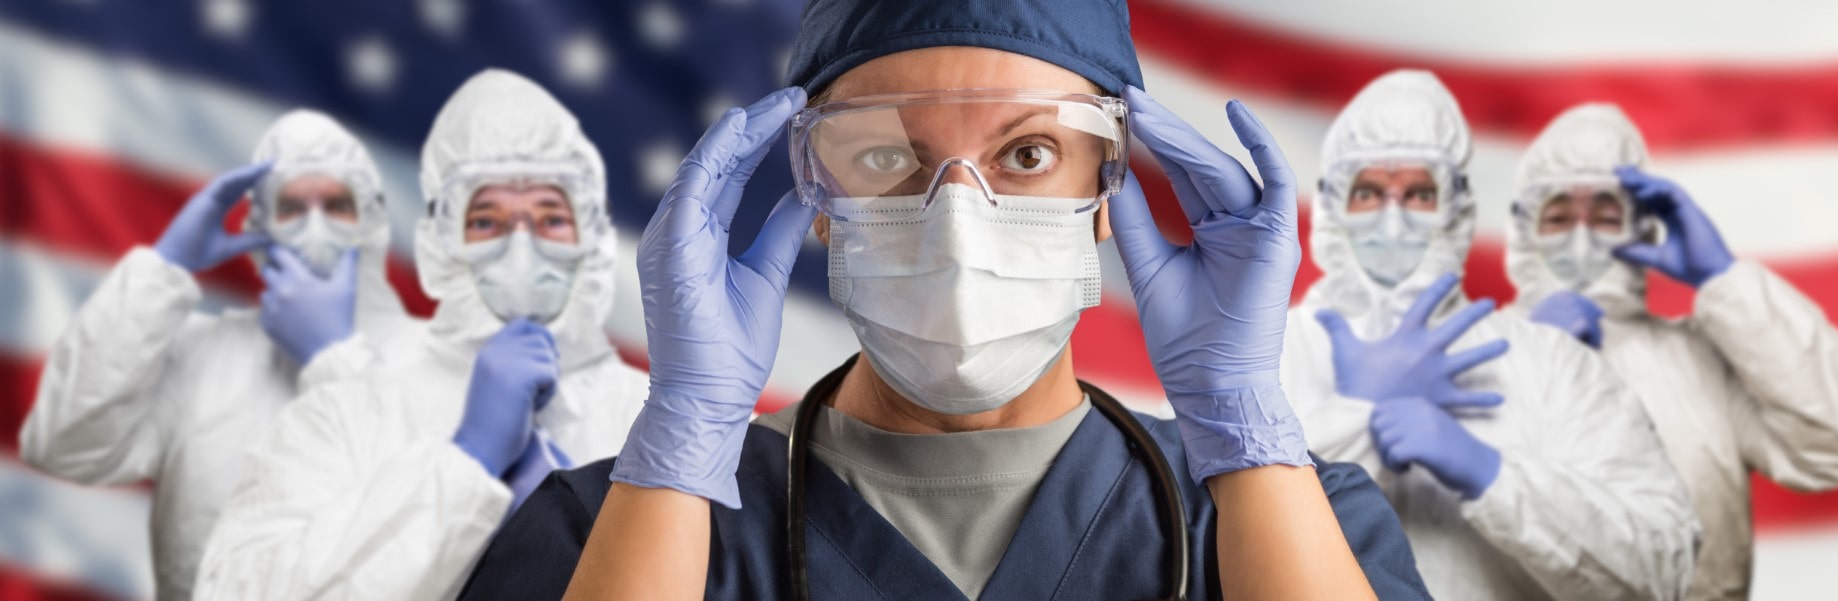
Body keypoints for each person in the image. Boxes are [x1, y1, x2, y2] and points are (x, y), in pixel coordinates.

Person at [460, 1, 1431, 599]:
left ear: (1110, 187)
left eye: (1028, 153)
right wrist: (683, 433)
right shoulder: (606, 528)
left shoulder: (1297, 518)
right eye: (886, 156)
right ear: (819, 199)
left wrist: (1241, 422)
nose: (958, 219)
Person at [190, 70, 649, 599]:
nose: (521, 248)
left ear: (592, 236)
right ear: (439, 242)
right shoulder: (345, 418)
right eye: (486, 222)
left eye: (550, 218)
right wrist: (465, 464)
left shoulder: (657, 419)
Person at [1279, 70, 1702, 600]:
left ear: (1457, 209)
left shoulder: (1548, 362)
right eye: (1368, 192)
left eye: (1418, 194)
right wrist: (1355, 422)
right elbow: (1204, 535)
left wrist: (1490, 472)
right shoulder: (1265, 353)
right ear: (1332, 205)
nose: (1392, 222)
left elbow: (1662, 567)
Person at [18, 110, 418, 601]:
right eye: (292, 207)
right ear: (259, 225)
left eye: (337, 205)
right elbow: (63, 445)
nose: (316, 226)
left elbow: (425, 530)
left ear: (372, 218)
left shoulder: (434, 357)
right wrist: (163, 269)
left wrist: (332, 356)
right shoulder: (201, 354)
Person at [1505, 103, 1838, 601]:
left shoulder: (1699, 360)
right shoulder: (1476, 348)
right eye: (1558, 216)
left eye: (1607, 215)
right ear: (1523, 229)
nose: (1582, 238)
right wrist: (1524, 363)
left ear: (1643, 227)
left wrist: (1724, 281)